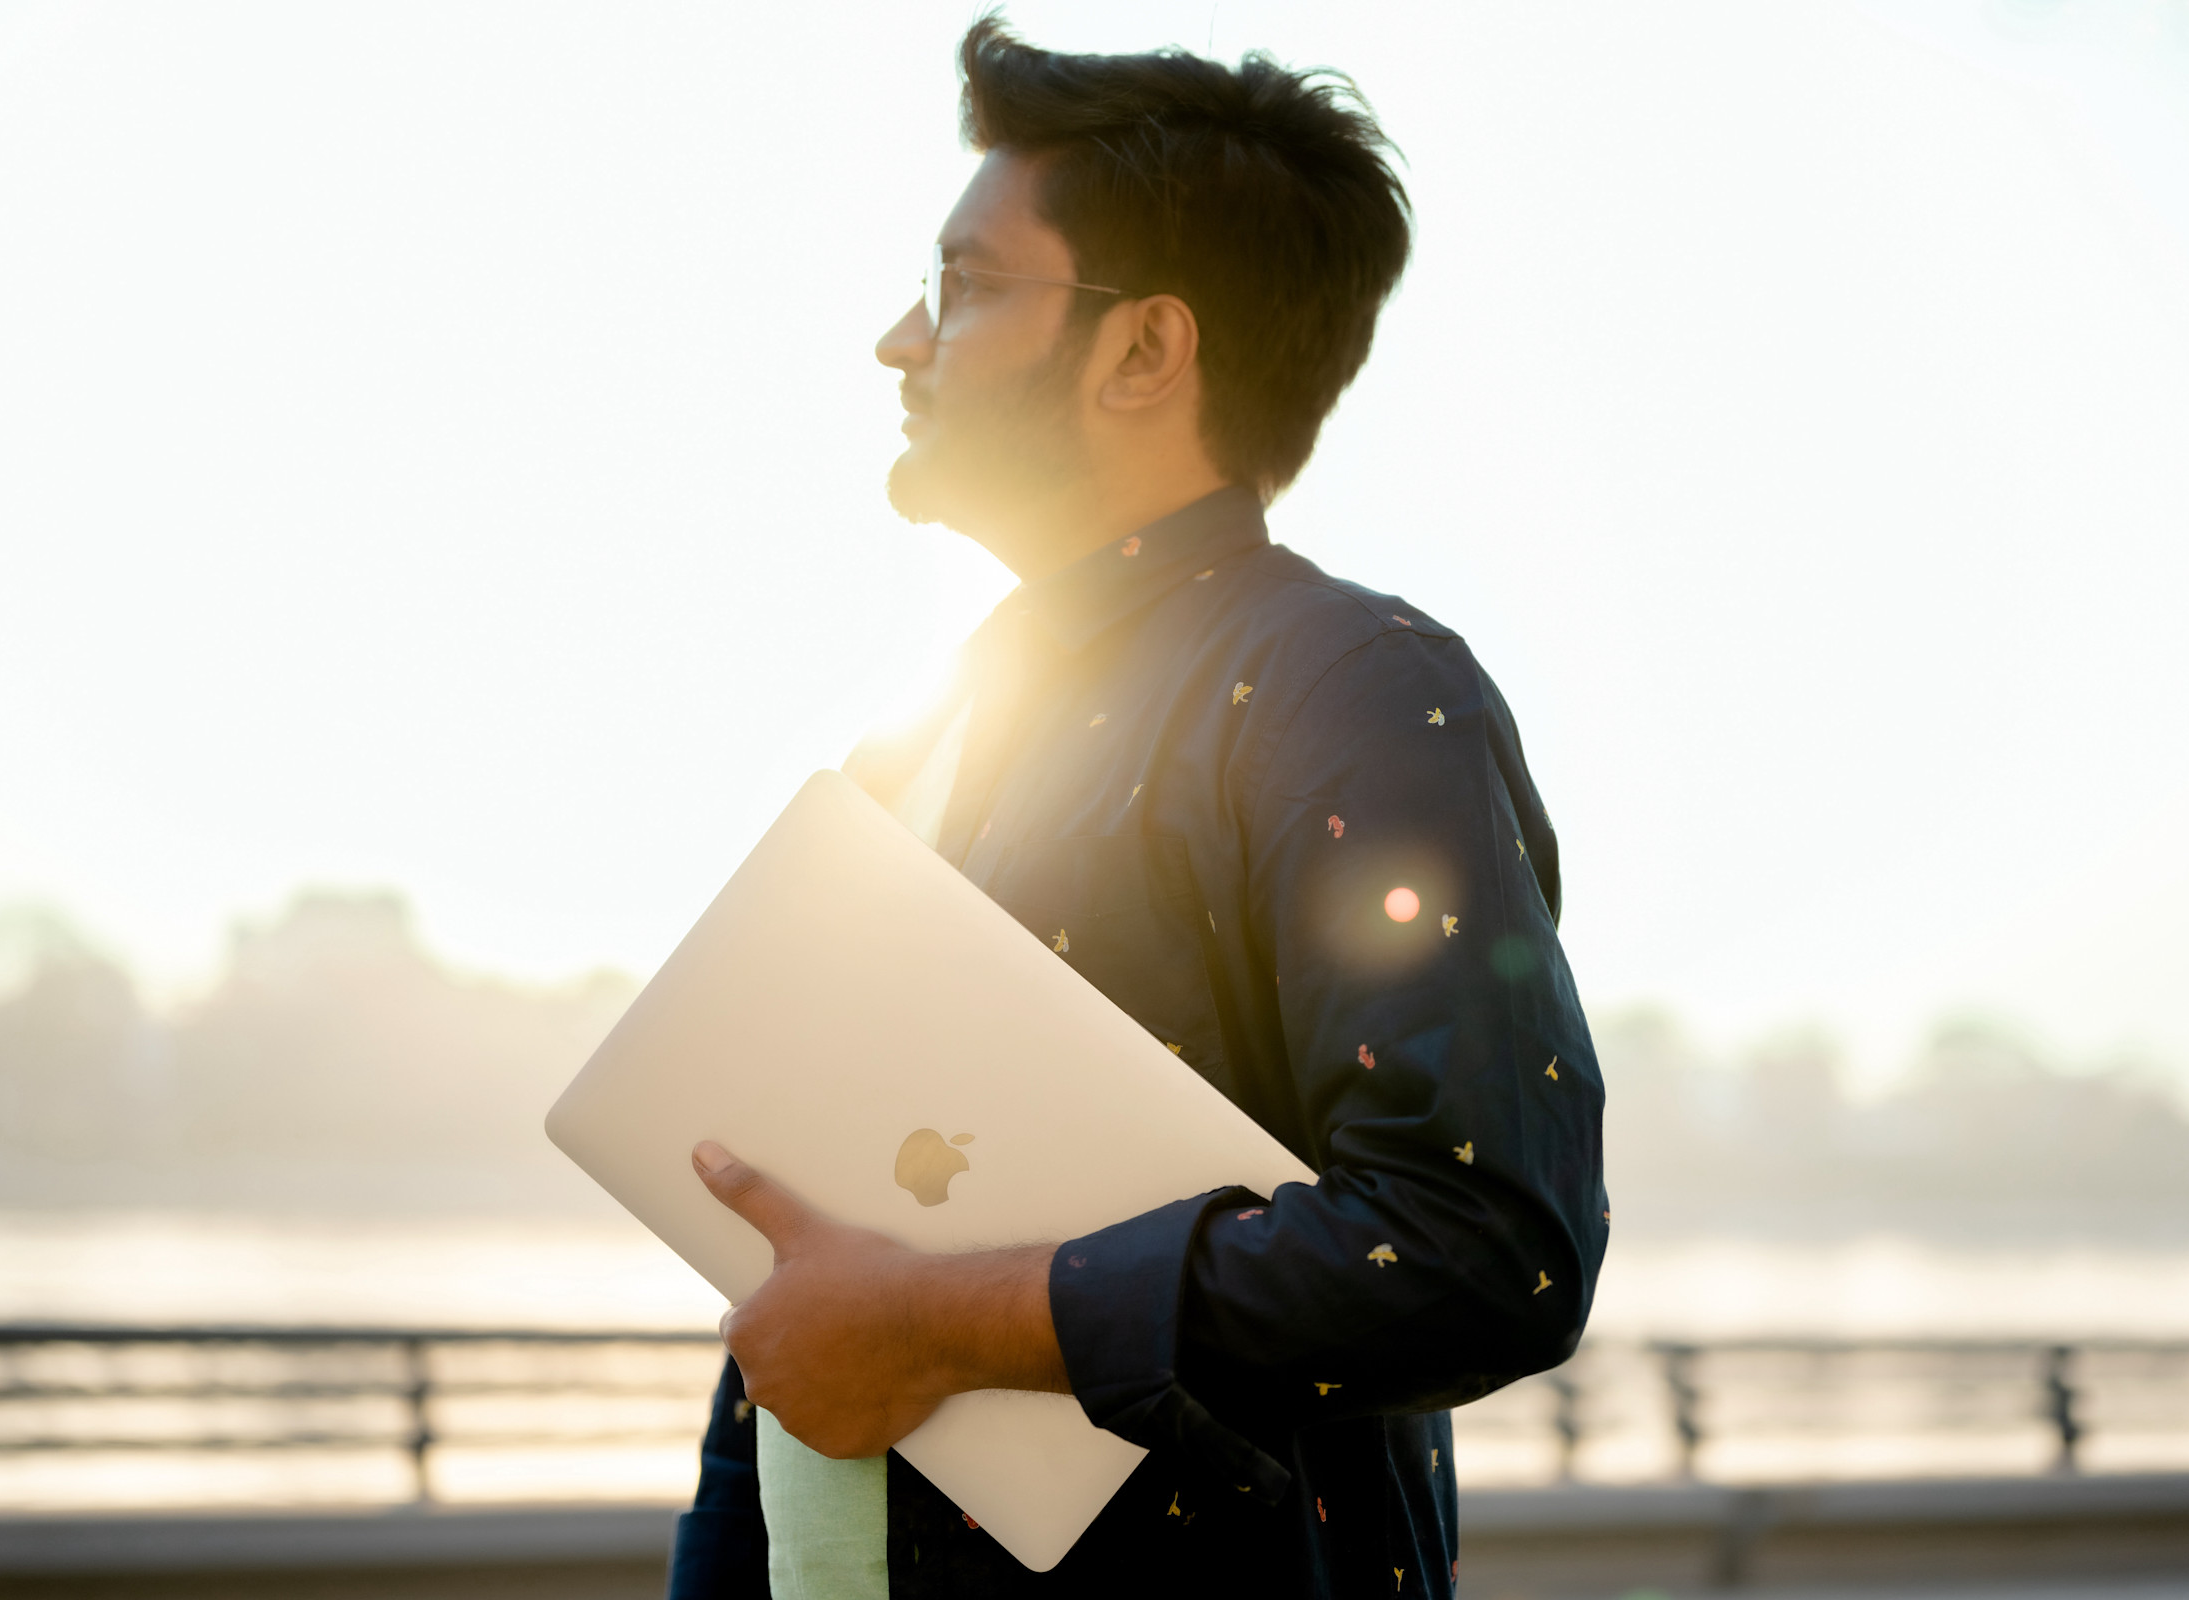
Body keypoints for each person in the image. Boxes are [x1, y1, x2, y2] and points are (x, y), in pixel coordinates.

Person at [665, 16, 1607, 1599]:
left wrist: (945, 1318)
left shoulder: (1352, 690)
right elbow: (807, 1319)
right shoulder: (924, 733)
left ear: (1144, 351)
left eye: (967, 284)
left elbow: (1477, 1252)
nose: (903, 337)